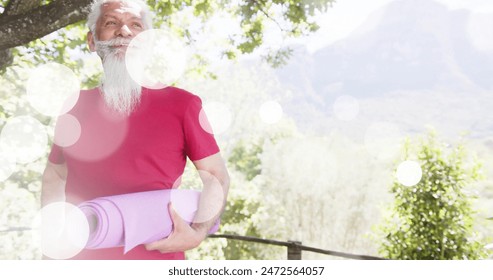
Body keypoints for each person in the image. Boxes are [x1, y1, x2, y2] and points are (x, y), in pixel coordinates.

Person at [41, 0, 230, 260]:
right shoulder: (73, 106)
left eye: (136, 25)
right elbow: (55, 174)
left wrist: (197, 232)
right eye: (111, 23)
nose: (124, 32)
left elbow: (215, 177)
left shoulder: (184, 105)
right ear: (92, 41)